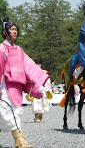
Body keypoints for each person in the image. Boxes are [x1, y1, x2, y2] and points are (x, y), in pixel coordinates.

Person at [0, 17, 49, 148]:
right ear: (5, 32)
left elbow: (29, 66)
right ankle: (19, 141)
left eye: (16, 29)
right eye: (11, 29)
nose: (14, 32)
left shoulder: (19, 49)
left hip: (17, 86)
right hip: (4, 85)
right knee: (6, 110)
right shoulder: (1, 49)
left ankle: (19, 138)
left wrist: (37, 81)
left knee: (14, 111)